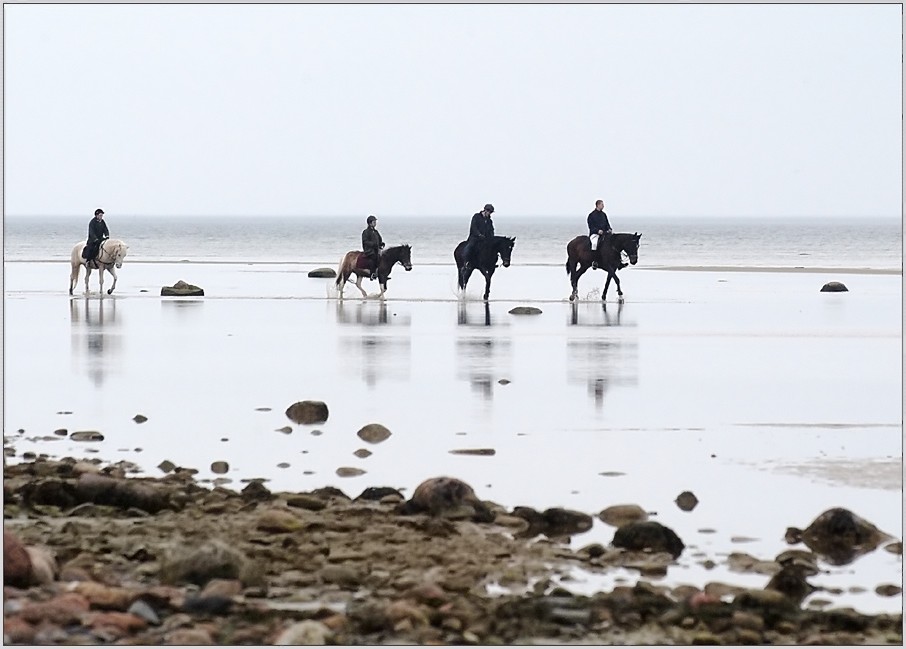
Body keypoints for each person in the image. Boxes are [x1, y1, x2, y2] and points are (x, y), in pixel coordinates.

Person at [462, 203, 495, 274]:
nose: (490, 214)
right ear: (485, 211)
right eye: (489, 212)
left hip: (485, 239)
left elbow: (491, 230)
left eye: (491, 213)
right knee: (470, 247)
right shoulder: (476, 217)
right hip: (475, 238)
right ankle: (466, 262)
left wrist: (492, 237)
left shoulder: (489, 220)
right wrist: (479, 234)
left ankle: (491, 263)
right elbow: (474, 227)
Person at [587, 199, 612, 270]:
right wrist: (597, 231)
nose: (603, 206)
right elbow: (591, 226)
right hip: (595, 234)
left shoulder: (604, 214)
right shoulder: (591, 215)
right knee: (594, 244)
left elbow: (607, 224)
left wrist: (609, 229)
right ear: (598, 205)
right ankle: (594, 262)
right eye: (602, 205)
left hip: (604, 233)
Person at [361, 215, 384, 280]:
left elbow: (379, 240)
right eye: (374, 222)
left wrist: (381, 243)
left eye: (375, 222)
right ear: (370, 223)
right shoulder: (366, 232)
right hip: (369, 250)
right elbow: (365, 241)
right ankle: (372, 274)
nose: (375, 223)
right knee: (373, 258)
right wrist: (373, 244)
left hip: (376, 250)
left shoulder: (376, 232)